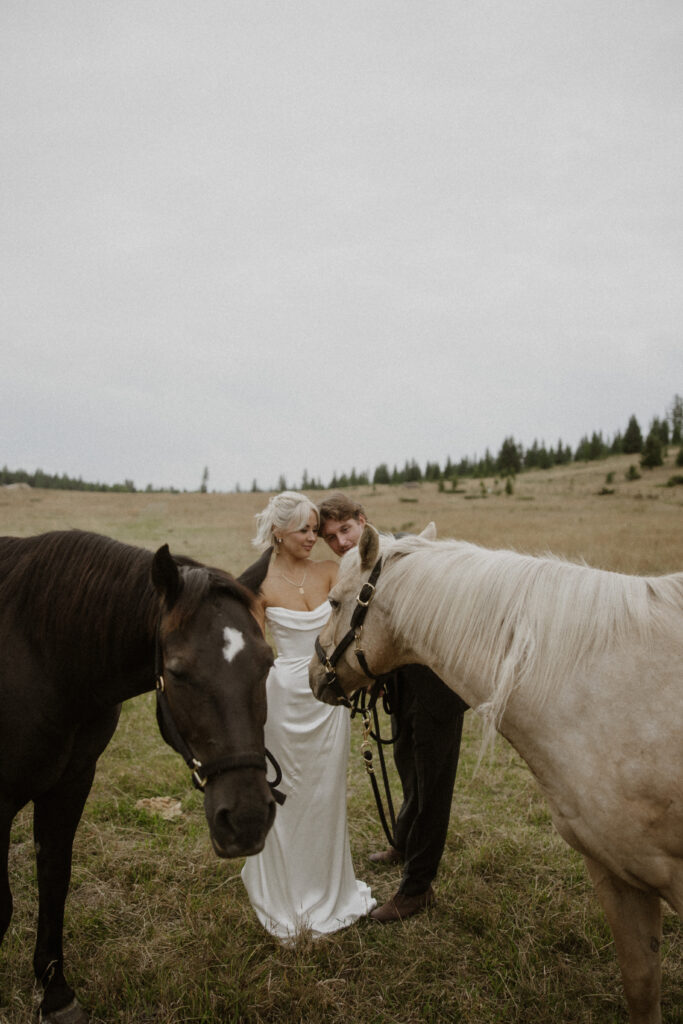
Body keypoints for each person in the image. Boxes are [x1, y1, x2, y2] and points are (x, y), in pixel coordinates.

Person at [318, 493, 468, 923]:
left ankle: (416, 888)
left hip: (438, 688)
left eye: (345, 530)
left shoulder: (404, 554)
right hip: (399, 687)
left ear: (362, 522)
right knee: (407, 767)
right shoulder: (356, 568)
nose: (341, 541)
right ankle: (403, 841)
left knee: (432, 785)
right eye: (331, 537)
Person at [239, 491, 375, 942]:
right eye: (305, 530)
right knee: (289, 792)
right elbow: (255, 654)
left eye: (316, 529)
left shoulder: (331, 571)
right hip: (283, 701)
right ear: (278, 533)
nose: (315, 538)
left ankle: (329, 886)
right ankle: (286, 888)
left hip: (328, 698)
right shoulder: (260, 586)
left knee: (325, 794)